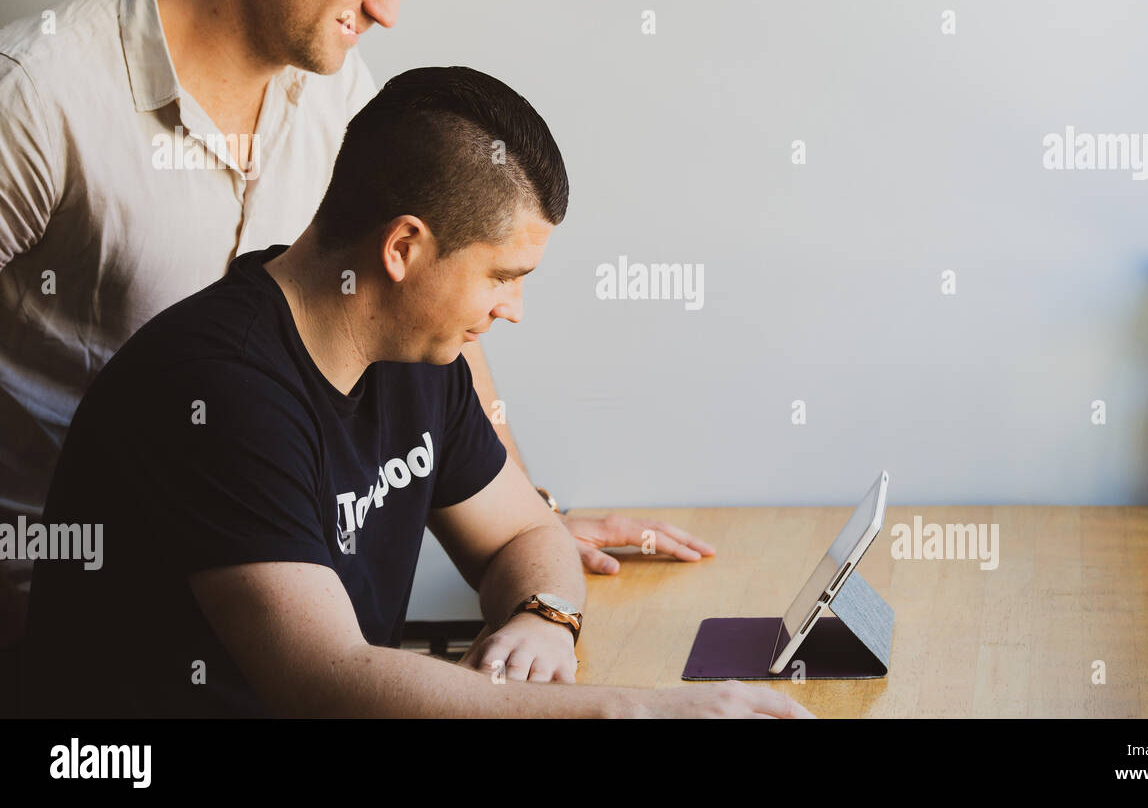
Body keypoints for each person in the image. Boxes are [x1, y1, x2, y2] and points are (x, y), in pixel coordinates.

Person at [0, 0, 710, 658]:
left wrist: (527, 525)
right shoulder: (37, 94)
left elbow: (430, 316)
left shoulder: (339, 95)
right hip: (63, 629)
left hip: (260, 610)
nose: (389, 9)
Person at [21, 67, 810, 718]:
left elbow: (523, 536)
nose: (514, 308)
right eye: (502, 276)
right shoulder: (217, 389)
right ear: (403, 248)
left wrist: (545, 617)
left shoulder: (423, 360)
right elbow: (324, 679)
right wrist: (640, 710)